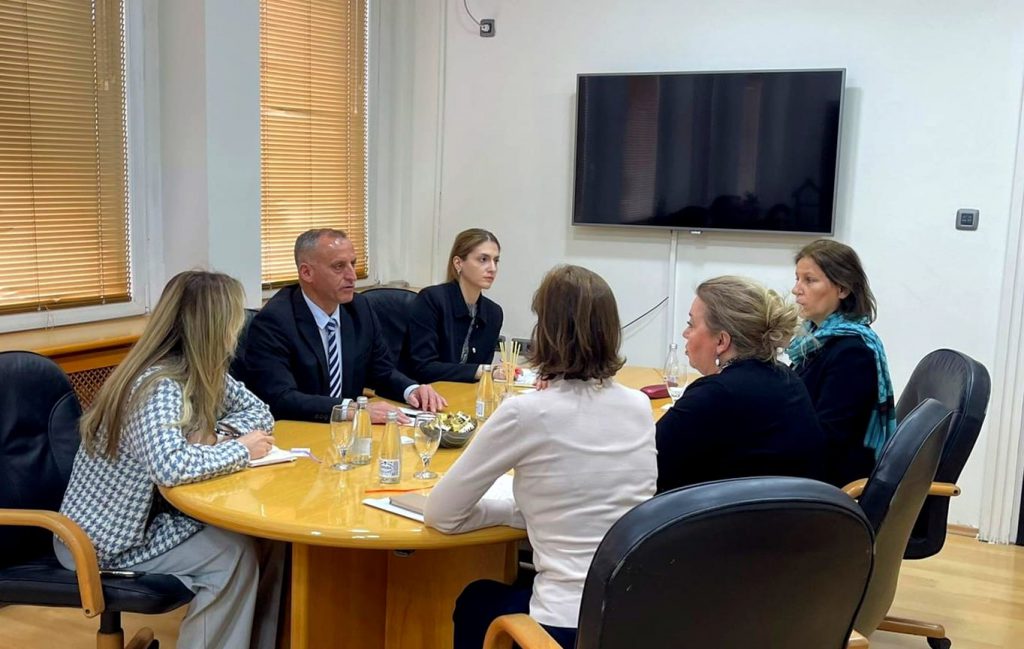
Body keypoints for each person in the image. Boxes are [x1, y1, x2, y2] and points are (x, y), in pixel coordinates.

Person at [424, 265, 657, 649]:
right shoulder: (638, 405)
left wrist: (516, 511)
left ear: (545, 331)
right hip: (633, 617)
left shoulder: (526, 412)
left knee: (476, 599)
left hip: (563, 626)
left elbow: (442, 515)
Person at [55, 271, 284, 649]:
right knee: (231, 555)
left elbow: (261, 414)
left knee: (265, 538)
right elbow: (171, 467)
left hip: (147, 522)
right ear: (215, 327)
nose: (239, 329)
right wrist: (241, 449)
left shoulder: (202, 372)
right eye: (234, 319)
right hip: (100, 540)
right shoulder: (158, 384)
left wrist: (218, 435)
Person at [243, 228, 446, 423]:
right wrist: (352, 410)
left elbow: (382, 372)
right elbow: (280, 398)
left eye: (353, 264)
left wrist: (412, 390)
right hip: (298, 431)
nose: (352, 276)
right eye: (339, 266)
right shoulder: (275, 321)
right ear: (306, 273)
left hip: (349, 432)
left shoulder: (359, 308)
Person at [656, 276, 825, 493]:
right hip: (798, 510)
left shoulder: (714, 395)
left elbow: (646, 463)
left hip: (728, 513)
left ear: (721, 341)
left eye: (691, 324)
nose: (685, 333)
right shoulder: (786, 377)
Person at [788, 239, 895, 488]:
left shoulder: (852, 353)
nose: (796, 290)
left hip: (830, 482)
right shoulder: (813, 340)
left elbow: (828, 438)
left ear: (843, 289)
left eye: (809, 280)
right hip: (811, 466)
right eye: (797, 279)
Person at [402, 228, 504, 383]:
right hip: (426, 392)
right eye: (483, 259)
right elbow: (424, 368)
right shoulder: (432, 300)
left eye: (495, 261)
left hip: (465, 394)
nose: (492, 268)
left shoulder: (493, 313)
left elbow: (479, 378)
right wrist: (483, 371)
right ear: (458, 263)